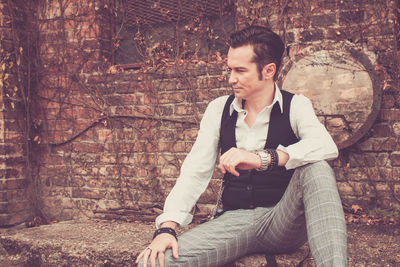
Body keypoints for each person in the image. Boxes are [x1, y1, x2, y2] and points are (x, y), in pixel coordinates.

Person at [136, 25, 347, 267]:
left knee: (317, 169)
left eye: (240, 70)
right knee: (154, 262)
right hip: (235, 222)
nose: (230, 78)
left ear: (268, 70)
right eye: (229, 69)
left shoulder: (296, 105)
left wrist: (264, 158)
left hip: (282, 220)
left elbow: (325, 145)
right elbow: (195, 171)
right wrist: (167, 227)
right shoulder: (219, 109)